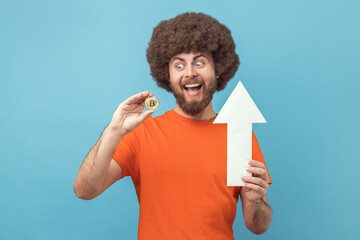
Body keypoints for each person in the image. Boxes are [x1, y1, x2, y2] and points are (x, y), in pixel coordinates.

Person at [74, 12, 272, 239]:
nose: (190, 73)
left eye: (200, 62)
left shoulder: (238, 135)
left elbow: (258, 225)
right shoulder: (143, 133)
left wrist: (256, 200)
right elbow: (84, 190)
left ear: (217, 70)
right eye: (179, 65)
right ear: (167, 75)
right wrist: (113, 131)